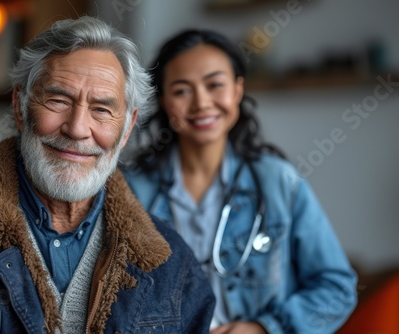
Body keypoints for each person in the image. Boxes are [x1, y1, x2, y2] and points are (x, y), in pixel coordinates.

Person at [0, 17, 216, 333]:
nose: (77, 129)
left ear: (127, 127)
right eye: (58, 100)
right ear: (20, 107)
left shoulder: (173, 265)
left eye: (102, 110)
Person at [122, 29, 358, 334]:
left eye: (215, 85)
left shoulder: (278, 182)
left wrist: (264, 328)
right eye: (182, 90)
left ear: (237, 89)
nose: (201, 103)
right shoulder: (129, 189)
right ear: (164, 100)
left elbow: (336, 288)